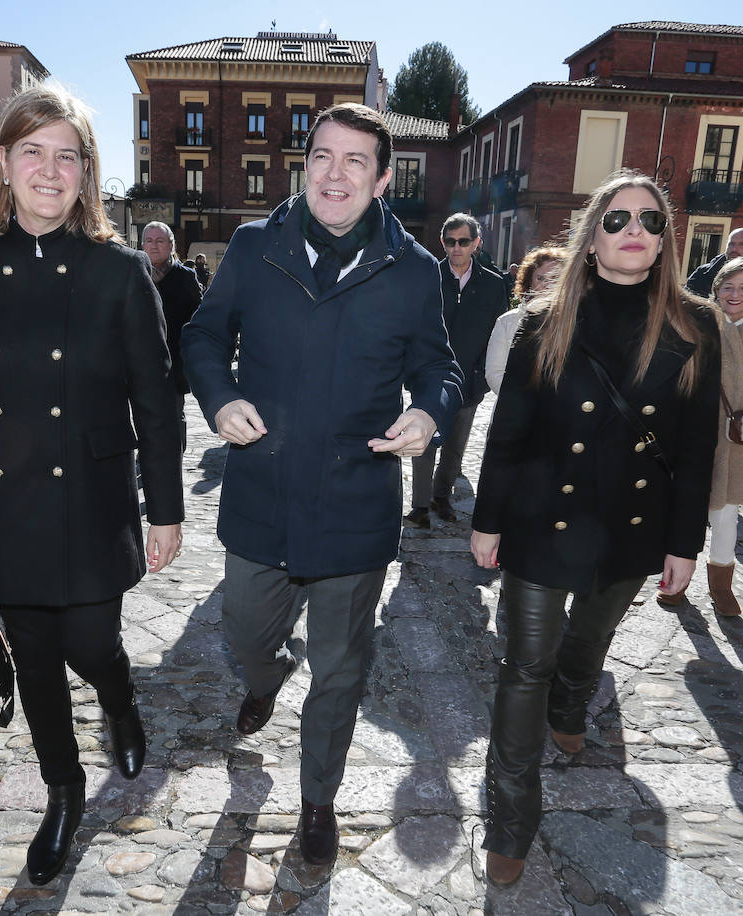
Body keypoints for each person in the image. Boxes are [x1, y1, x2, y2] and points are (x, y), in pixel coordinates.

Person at [181, 102, 462, 866]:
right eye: (323, 157)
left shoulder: (413, 272)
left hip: (354, 507)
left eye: (355, 162)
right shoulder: (252, 246)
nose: (335, 175)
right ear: (305, 164)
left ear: (380, 181)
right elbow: (203, 336)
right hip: (260, 498)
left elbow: (441, 368)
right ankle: (266, 676)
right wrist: (220, 395)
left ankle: (317, 802)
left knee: (340, 669)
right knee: (245, 635)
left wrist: (429, 414)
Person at [0, 83, 183, 887]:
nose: (48, 168)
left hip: (93, 497)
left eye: (66, 155)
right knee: (35, 657)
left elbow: (156, 397)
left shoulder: (118, 270)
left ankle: (120, 697)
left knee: (89, 644)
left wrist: (164, 510)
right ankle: (63, 793)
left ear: (86, 173)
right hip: (1, 499)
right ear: (5, 161)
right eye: (32, 150)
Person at [470, 170, 719, 886]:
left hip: (631, 526)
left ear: (666, 239)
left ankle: (574, 699)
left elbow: (699, 446)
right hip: (541, 520)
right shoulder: (545, 322)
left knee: (590, 638)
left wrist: (685, 542)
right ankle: (511, 818)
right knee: (524, 667)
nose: (632, 230)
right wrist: (487, 523)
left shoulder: (694, 325)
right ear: (589, 239)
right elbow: (507, 433)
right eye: (615, 220)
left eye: (648, 220)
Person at [658, 257, 743, 615]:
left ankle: (721, 586)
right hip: (694, 432)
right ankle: (674, 579)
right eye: (728, 286)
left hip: (739, 437)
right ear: (716, 288)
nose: (735, 294)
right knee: (686, 508)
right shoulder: (699, 322)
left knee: (726, 515)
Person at [405, 213, 510, 527]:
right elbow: (410, 328)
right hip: (429, 381)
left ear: (476, 243)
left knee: (454, 450)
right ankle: (420, 506)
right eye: (450, 242)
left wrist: (481, 379)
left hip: (469, 383)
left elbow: (498, 335)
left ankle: (442, 497)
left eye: (463, 241)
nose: (456, 248)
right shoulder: (426, 278)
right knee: (424, 445)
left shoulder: (493, 285)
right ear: (443, 243)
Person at [141, 221, 203, 449]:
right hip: (139, 360)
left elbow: (200, 318)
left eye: (160, 241)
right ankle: (148, 455)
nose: (154, 246)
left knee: (175, 412)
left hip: (173, 361)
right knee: (144, 413)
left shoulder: (185, 277)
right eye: (149, 240)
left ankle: (174, 456)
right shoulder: (136, 273)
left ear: (171, 245)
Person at [484, 246, 567, 395]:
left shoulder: (577, 322)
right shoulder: (507, 322)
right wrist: (523, 401)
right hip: (514, 411)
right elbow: (494, 373)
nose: (547, 285)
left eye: (555, 278)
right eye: (541, 278)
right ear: (529, 280)